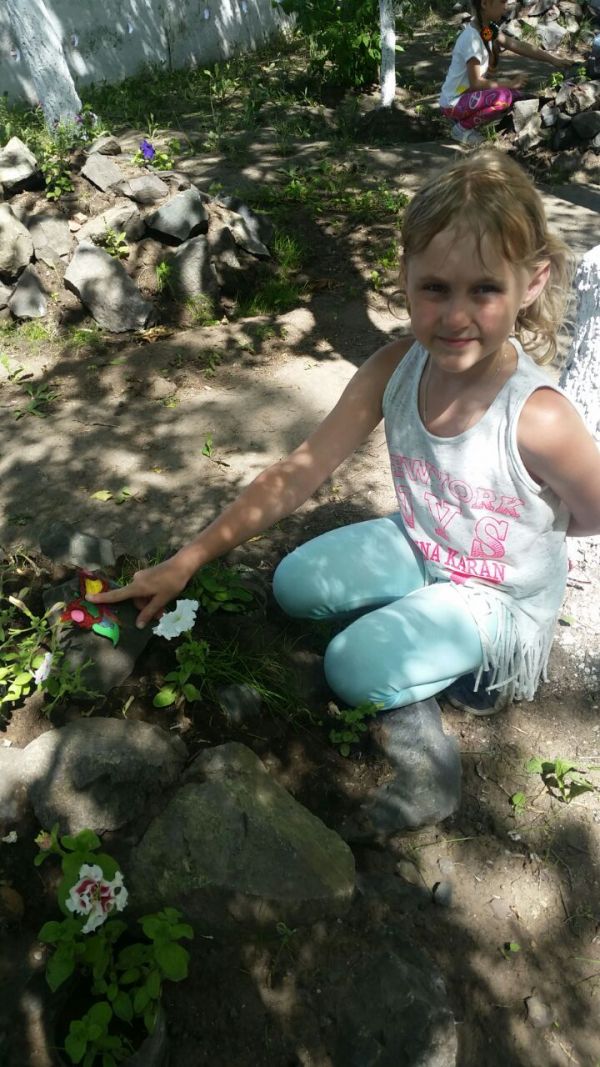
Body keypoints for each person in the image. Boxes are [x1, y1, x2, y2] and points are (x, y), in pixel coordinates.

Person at [90, 149, 600, 716]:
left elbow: (589, 514)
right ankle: (428, 605)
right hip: (425, 541)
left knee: (350, 668)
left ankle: (488, 668)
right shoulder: (394, 369)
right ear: (406, 277)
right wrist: (187, 560)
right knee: (294, 585)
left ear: (531, 283)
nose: (457, 317)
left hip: (500, 593)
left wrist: (516, 539)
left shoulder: (539, 418)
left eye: (485, 290)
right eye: (435, 288)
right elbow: (299, 472)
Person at [439, 0, 567, 146]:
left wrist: (552, 59)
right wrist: (510, 83)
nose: (505, 6)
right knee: (503, 97)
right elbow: (476, 83)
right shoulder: (471, 39)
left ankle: (463, 119)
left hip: (466, 96)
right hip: (453, 103)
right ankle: (461, 129)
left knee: (516, 95)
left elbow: (517, 45)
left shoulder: (486, 30)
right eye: (502, 2)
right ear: (485, 4)